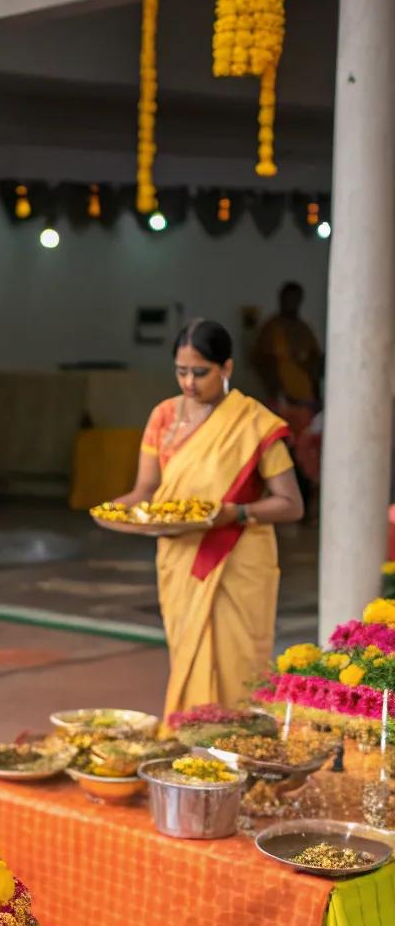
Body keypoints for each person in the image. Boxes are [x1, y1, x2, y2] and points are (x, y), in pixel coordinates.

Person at [113, 318, 304, 720]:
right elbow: (145, 489)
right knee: (189, 652)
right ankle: (190, 746)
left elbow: (290, 504)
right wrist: (118, 510)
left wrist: (235, 513)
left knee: (239, 662)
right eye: (180, 371)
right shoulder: (163, 416)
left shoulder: (253, 422)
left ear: (227, 368)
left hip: (236, 556)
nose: (188, 382)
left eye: (200, 372)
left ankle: (241, 749)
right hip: (180, 557)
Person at [252, 282, 322, 496]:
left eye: (296, 299)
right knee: (279, 450)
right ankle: (281, 499)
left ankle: (304, 500)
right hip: (281, 402)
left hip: (305, 402)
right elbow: (262, 361)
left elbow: (315, 362)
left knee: (306, 452)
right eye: (288, 298)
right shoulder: (271, 329)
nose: (292, 303)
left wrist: (316, 395)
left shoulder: (303, 329)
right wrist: (276, 392)